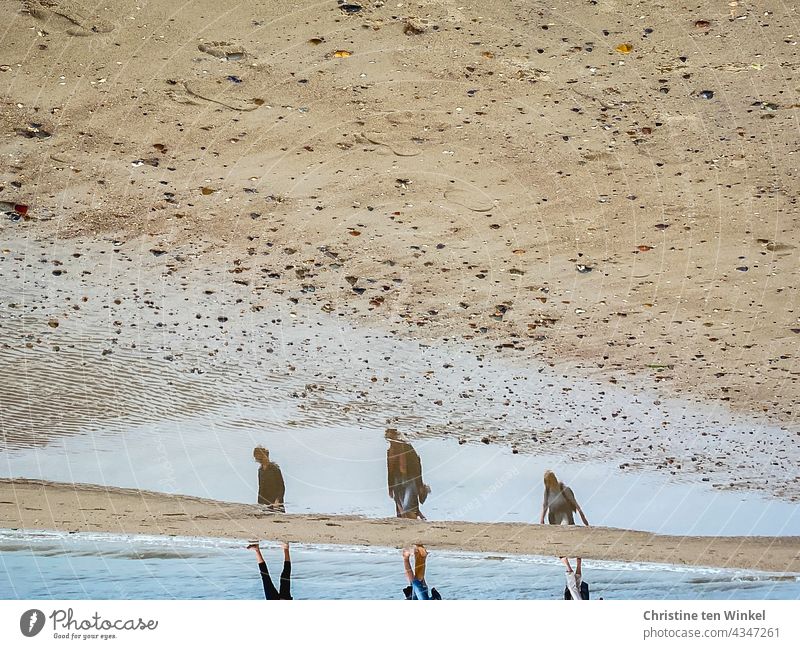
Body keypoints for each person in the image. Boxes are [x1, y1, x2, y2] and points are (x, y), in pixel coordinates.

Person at [386, 429, 430, 520]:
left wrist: (420, 484)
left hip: (410, 479)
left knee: (407, 507)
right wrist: (390, 487)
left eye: (391, 438)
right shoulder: (390, 451)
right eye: (388, 439)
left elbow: (417, 465)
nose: (390, 441)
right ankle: (412, 522)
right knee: (401, 506)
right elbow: (390, 471)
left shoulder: (407, 448)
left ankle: (415, 521)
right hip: (397, 480)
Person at [253, 446, 286, 512]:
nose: (257, 459)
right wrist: (259, 504)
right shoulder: (260, 470)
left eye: (258, 457)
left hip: (276, 502)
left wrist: (277, 501)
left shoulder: (275, 468)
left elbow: (281, 487)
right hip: (264, 503)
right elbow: (261, 488)